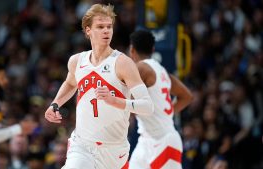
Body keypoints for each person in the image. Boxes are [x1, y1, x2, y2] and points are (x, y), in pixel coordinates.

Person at [44, 4, 154, 169]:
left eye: (109, 27)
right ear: (88, 30)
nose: (106, 31)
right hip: (82, 145)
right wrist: (55, 104)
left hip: (114, 150)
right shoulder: (77, 61)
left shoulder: (123, 63)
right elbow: (70, 83)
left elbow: (147, 106)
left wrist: (116, 101)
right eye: (100, 27)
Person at [128, 30, 193, 169]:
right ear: (152, 49)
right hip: (146, 140)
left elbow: (126, 100)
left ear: (131, 50)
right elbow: (187, 96)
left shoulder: (141, 67)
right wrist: (167, 113)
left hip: (164, 140)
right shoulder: (162, 71)